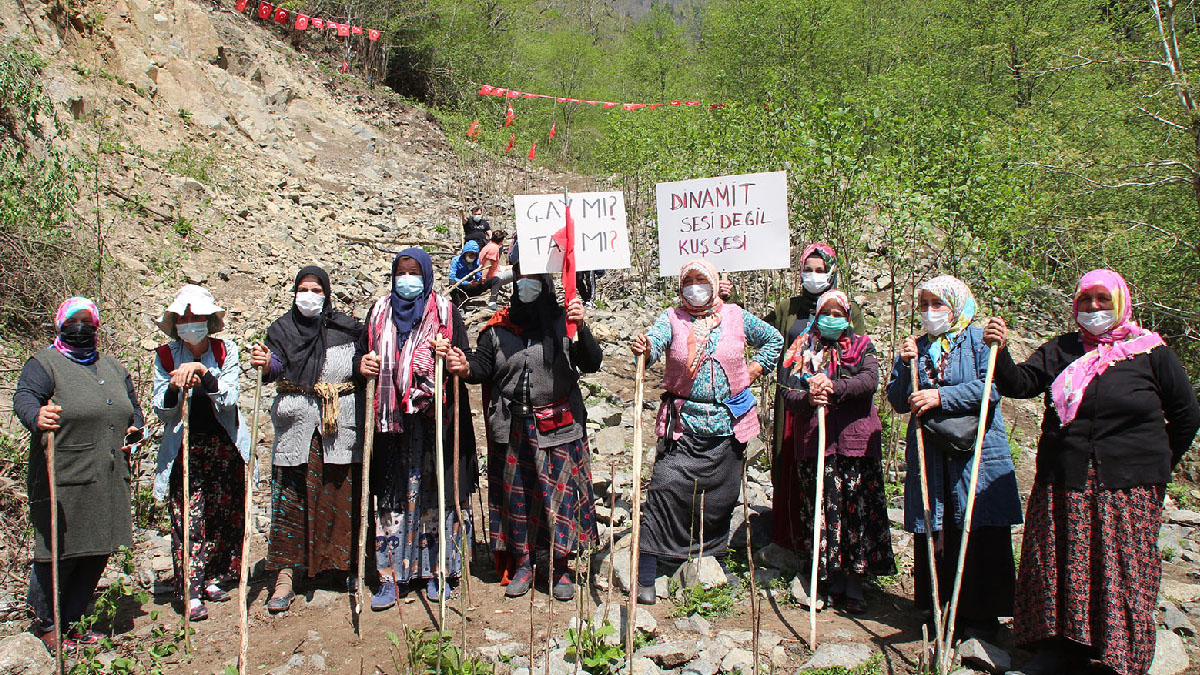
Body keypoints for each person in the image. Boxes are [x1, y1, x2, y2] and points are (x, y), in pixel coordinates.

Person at [983, 269, 1200, 675]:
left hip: (1129, 487)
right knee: (1060, 564)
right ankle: (1060, 648)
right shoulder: (1062, 349)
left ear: (1120, 302)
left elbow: (1186, 415)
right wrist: (1001, 351)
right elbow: (1021, 384)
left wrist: (1154, 465)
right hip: (1063, 479)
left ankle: (1120, 656)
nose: (1094, 307)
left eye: (1103, 299)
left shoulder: (1151, 353)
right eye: (1086, 299)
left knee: (1122, 569)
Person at [440, 259, 602, 601]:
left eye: (533, 279)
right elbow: (481, 368)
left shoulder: (563, 321)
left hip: (559, 427)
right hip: (512, 429)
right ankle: (524, 564)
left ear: (545, 284)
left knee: (559, 499)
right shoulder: (497, 328)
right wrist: (464, 366)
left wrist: (582, 328)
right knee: (518, 498)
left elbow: (591, 362)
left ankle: (559, 566)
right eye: (520, 280)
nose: (526, 286)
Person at [629, 259, 783, 605]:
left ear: (714, 284)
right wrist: (646, 347)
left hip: (727, 424)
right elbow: (655, 343)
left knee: (719, 498)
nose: (695, 287)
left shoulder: (735, 316)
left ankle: (713, 561)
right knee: (665, 487)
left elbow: (774, 339)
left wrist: (754, 369)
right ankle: (648, 570)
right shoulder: (672, 318)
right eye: (689, 281)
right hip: (683, 424)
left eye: (702, 280)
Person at [885, 275, 1022, 641]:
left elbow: (992, 387)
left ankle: (980, 617)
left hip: (975, 452)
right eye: (924, 306)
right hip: (931, 454)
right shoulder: (916, 347)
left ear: (956, 307)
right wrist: (905, 364)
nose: (929, 312)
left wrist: (941, 398)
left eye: (937, 305)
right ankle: (940, 608)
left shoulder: (979, 341)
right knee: (938, 522)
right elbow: (898, 400)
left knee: (976, 523)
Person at [14, 298, 143, 652]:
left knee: (98, 547)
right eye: (74, 321)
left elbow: (134, 410)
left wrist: (136, 428)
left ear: (97, 326)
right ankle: (46, 624)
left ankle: (73, 622)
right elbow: (25, 397)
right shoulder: (44, 364)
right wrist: (36, 416)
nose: (81, 327)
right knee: (57, 551)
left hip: (108, 474)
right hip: (64, 474)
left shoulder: (113, 368)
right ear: (60, 324)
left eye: (88, 321)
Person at [356, 248, 476, 608]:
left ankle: (440, 572)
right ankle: (391, 576)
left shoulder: (446, 312)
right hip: (392, 425)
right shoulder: (379, 312)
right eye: (401, 273)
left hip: (435, 421)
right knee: (392, 496)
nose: (407, 279)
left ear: (427, 276)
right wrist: (363, 365)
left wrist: (452, 359)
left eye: (414, 273)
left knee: (438, 494)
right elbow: (361, 355)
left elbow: (465, 360)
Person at [250, 266, 364, 612]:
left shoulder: (348, 328)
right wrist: (265, 363)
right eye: (303, 289)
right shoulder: (282, 329)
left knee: (339, 494)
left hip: (338, 427)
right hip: (296, 428)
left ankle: (343, 568)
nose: (309, 296)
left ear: (327, 294)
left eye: (316, 290)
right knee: (291, 498)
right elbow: (275, 366)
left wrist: (365, 366)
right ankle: (285, 577)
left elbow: (362, 364)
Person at [775, 290, 895, 613]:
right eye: (825, 313)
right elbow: (788, 390)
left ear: (847, 316)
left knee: (856, 511)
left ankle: (855, 584)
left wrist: (835, 387)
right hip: (817, 443)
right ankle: (829, 580)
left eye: (837, 313)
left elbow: (869, 380)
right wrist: (809, 398)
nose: (831, 319)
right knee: (824, 513)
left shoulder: (862, 346)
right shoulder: (802, 348)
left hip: (856, 443)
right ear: (816, 316)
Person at [152, 285, 251, 622]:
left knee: (223, 512)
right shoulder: (166, 357)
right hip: (185, 446)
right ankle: (190, 589)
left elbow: (229, 398)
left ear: (209, 321)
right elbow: (161, 411)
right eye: (184, 318)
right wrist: (174, 387)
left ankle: (214, 575)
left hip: (223, 444)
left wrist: (205, 374)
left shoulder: (225, 351)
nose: (190, 323)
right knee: (189, 516)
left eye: (197, 317)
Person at [761, 243, 865, 510]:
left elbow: (858, 353)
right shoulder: (787, 308)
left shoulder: (845, 308)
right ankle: (789, 528)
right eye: (808, 269)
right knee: (791, 461)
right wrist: (729, 300)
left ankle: (829, 527)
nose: (813, 275)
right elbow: (757, 332)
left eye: (820, 270)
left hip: (833, 401)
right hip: (794, 400)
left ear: (831, 272)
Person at [479, 230, 514, 310]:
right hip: (492, 276)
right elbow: (487, 266)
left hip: (495, 269)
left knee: (514, 267)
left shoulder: (489, 245)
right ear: (501, 241)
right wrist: (483, 279)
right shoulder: (493, 249)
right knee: (515, 273)